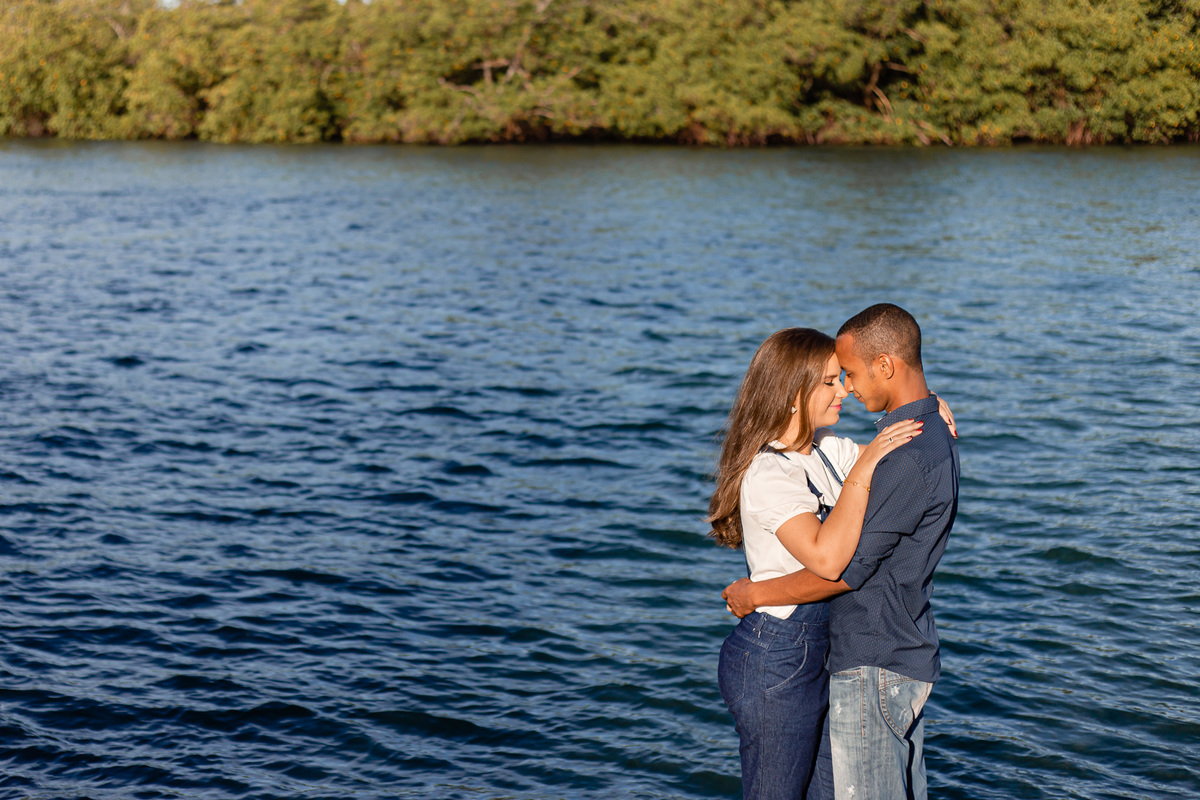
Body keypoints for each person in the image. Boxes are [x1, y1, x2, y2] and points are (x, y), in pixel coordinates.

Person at [722, 304, 960, 800]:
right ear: (793, 394)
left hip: (824, 648)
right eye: (832, 381)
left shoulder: (828, 448)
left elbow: (897, 433)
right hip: (777, 650)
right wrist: (755, 594)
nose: (846, 390)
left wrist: (929, 403)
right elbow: (829, 561)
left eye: (844, 377)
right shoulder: (772, 473)